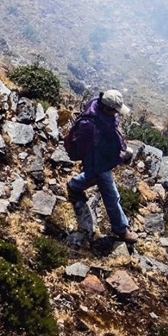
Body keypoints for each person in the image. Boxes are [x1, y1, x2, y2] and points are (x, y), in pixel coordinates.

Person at [66, 89, 138, 242]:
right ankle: (121, 229)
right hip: (97, 161)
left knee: (92, 177)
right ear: (107, 108)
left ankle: (74, 185)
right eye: (115, 111)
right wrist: (115, 156)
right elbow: (89, 148)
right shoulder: (89, 125)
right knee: (112, 195)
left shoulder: (97, 104)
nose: (117, 114)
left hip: (101, 158)